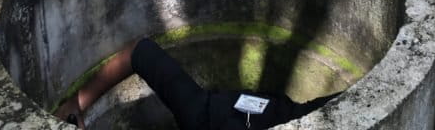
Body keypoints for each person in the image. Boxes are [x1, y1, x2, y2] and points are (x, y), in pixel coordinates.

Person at [55, 38, 340, 129]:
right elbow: (140, 53)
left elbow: (140, 53)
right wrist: (76, 103)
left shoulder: (198, 112)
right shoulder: (200, 113)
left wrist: (77, 103)